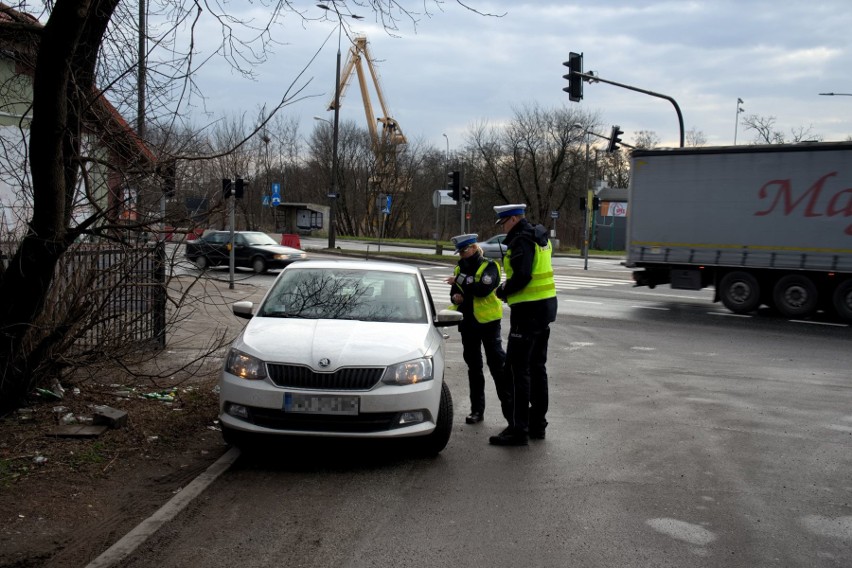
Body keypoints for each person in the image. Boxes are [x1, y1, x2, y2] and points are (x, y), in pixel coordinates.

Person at [489, 204, 558, 446]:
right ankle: (538, 424)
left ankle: (519, 430)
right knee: (538, 368)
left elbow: (523, 275)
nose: (504, 227)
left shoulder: (521, 239)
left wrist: (504, 290)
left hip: (527, 313)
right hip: (544, 310)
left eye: (505, 222)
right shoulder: (539, 236)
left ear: (515, 219)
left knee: (519, 371)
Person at [444, 233, 506, 425]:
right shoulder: (459, 267)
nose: (462, 255)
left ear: (473, 248)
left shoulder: (489, 265)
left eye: (464, 250)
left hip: (488, 323)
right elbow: (455, 292)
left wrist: (460, 281)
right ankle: (476, 411)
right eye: (459, 252)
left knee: (497, 367)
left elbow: (482, 289)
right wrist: (455, 297)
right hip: (468, 323)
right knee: (474, 368)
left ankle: (512, 412)